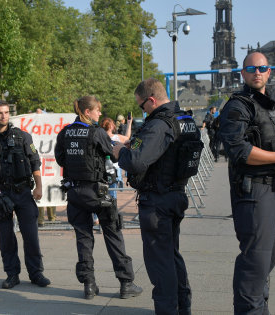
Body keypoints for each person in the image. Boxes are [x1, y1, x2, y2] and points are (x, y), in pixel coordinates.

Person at [217, 52, 275, 314]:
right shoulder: (238, 106)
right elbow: (237, 149)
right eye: (252, 68)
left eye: (262, 68)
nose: (257, 72)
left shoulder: (273, 106)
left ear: (269, 72)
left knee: (267, 260)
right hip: (255, 192)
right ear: (243, 73)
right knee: (254, 262)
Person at [113, 78, 195, 314]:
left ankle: (167, 309)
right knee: (172, 255)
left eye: (142, 106)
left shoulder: (160, 123)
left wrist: (121, 152)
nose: (143, 110)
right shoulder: (184, 118)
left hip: (158, 200)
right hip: (175, 194)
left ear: (151, 99)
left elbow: (137, 162)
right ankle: (183, 306)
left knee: (160, 262)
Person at [55, 95, 142, 300]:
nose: (100, 113)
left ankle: (89, 285)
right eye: (97, 110)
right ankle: (126, 283)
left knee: (83, 237)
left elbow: (60, 158)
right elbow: (114, 155)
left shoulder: (65, 132)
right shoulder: (96, 132)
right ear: (87, 112)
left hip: (75, 192)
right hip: (97, 191)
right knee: (113, 233)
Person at [0, 100, 50, 289]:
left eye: (6, 112)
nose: (3, 116)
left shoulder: (23, 137)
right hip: (0, 194)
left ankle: (36, 273)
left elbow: (35, 162)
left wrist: (39, 187)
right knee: (6, 238)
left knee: (31, 236)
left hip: (24, 192)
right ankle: (12, 274)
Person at [99, 117, 131, 199]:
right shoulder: (117, 137)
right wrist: (129, 123)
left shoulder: (99, 137)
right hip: (115, 169)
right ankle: (112, 210)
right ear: (111, 126)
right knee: (112, 193)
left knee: (101, 192)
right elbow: (127, 137)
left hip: (102, 168)